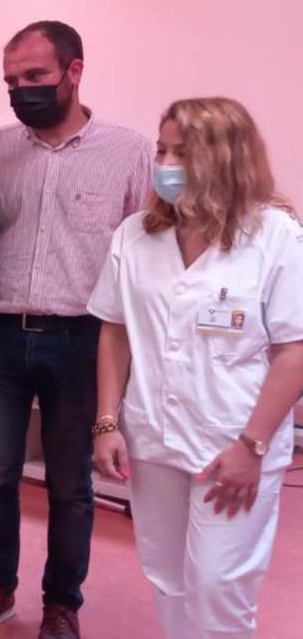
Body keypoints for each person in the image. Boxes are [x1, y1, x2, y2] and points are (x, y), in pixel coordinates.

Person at [0, 21, 151, 639]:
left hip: (83, 340)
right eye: (12, 80)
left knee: (71, 484)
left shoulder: (129, 151)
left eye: (35, 77)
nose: (21, 90)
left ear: (74, 71)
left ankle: (63, 602)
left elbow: (141, 260)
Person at [89, 97, 303, 639]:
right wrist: (107, 421)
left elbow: (294, 350)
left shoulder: (274, 237)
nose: (165, 164)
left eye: (182, 153)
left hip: (232, 441)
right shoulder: (136, 235)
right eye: (162, 149)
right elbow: (115, 330)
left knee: (218, 585)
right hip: (153, 435)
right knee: (166, 574)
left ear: (226, 159)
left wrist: (251, 446)